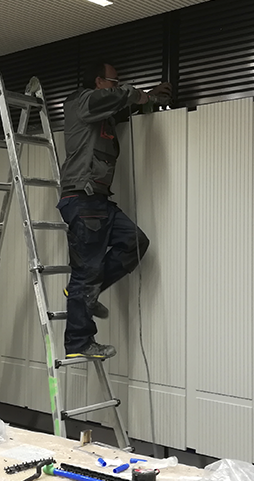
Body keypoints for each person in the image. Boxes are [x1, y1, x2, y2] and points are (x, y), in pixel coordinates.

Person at [58, 61, 172, 359]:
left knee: (135, 242)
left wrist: (150, 97)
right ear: (98, 81)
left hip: (98, 200)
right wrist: (138, 94)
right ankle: (79, 343)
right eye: (113, 81)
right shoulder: (80, 101)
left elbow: (122, 103)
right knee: (86, 271)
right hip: (82, 199)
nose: (117, 85)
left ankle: (85, 292)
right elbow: (116, 98)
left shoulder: (103, 111)